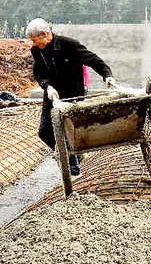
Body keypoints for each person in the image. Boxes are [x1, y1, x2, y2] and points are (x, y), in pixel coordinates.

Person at [27, 18, 115, 175]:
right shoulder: (37, 51)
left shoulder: (69, 45)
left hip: (72, 95)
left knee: (67, 131)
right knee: (44, 131)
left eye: (35, 40)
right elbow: (39, 73)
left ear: (45, 34)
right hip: (53, 95)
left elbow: (92, 59)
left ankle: (73, 171)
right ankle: (68, 153)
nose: (34, 44)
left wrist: (107, 75)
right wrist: (47, 86)